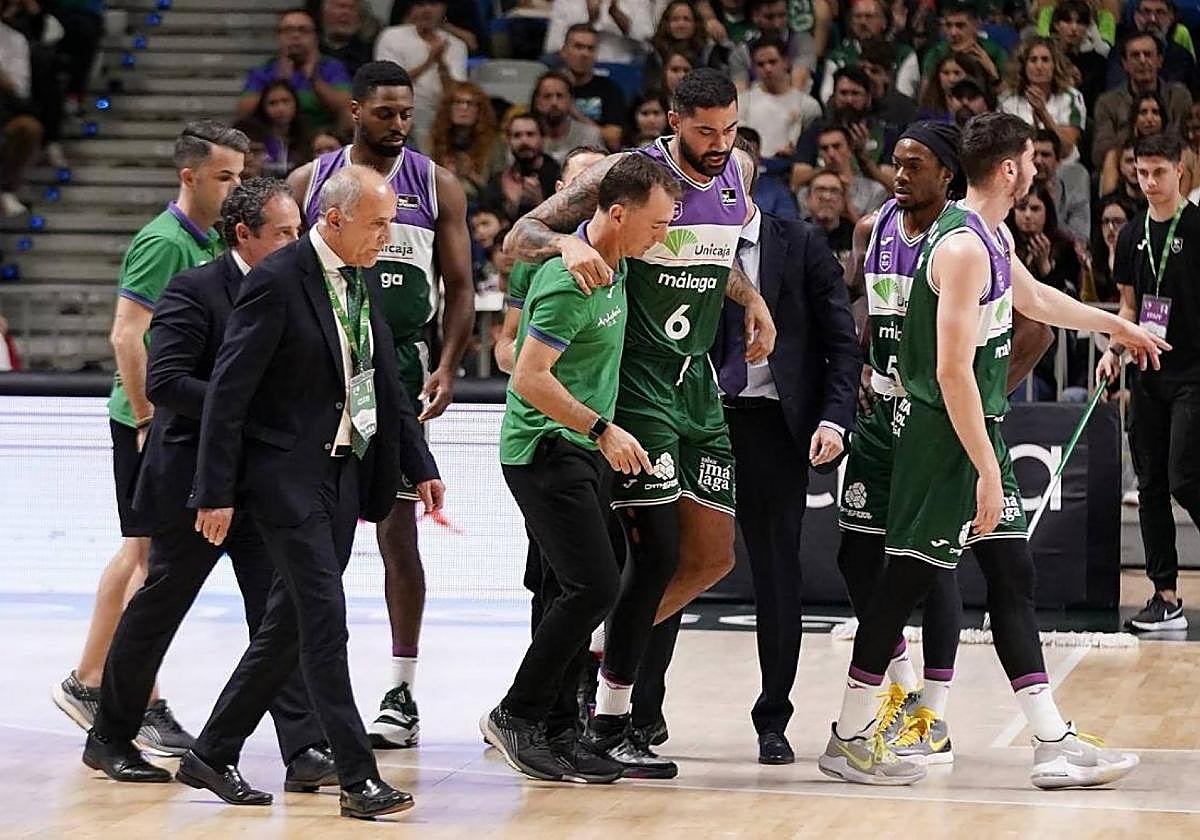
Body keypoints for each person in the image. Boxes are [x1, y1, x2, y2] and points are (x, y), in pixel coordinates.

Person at [819, 111, 1158, 788]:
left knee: (1012, 574)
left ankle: (1051, 740)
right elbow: (951, 373)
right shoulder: (963, 248)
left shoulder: (989, 233)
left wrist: (1113, 326)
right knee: (904, 581)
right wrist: (986, 470)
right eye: (1029, 158)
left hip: (972, 427)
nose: (1035, 168)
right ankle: (850, 735)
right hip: (940, 430)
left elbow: (1038, 300)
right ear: (1009, 169)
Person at [505, 67, 776, 778]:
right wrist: (567, 245)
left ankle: (591, 649)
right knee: (650, 555)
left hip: (698, 382)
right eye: (705, 131)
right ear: (673, 121)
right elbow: (521, 234)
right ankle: (607, 715)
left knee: (711, 557)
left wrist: (752, 299)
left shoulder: (736, 173)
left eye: (729, 129)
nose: (719, 143)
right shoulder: (628, 173)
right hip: (637, 385)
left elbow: (711, 261)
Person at [183, 165, 440, 819]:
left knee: (287, 628)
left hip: (344, 478)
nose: (388, 236)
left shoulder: (361, 278)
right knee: (326, 622)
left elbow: (386, 386)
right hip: (284, 480)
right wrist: (214, 491)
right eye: (377, 224)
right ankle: (358, 778)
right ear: (334, 218)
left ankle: (211, 751)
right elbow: (228, 393)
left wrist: (421, 464)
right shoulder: (277, 279)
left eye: (391, 222)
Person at [82, 179, 333, 794]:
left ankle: (303, 747)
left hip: (260, 481)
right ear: (244, 235)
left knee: (276, 613)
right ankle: (109, 736)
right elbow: (165, 382)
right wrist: (247, 404)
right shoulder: (193, 290)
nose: (296, 242)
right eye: (284, 233)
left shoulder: (301, 289)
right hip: (191, 481)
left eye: (299, 231)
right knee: (161, 606)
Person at [837, 120, 1053, 767]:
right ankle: (900, 695)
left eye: (914, 164)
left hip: (940, 417)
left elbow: (1035, 327)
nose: (899, 175)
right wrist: (858, 378)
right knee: (863, 559)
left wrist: (980, 407)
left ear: (949, 173)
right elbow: (864, 314)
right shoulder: (873, 229)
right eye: (895, 162)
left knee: (939, 567)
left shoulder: (967, 240)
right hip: (886, 416)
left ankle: (931, 711)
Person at [288, 60, 474, 750]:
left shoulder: (437, 184)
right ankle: (309, 686)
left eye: (406, 113)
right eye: (385, 113)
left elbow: (460, 287)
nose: (399, 124)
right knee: (318, 537)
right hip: (326, 370)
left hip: (399, 373)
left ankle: (401, 690)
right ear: (355, 111)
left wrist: (448, 365)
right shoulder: (310, 182)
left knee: (399, 532)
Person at [51, 120, 247, 757]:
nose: (234, 188)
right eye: (224, 177)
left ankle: (97, 681)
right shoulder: (164, 242)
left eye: (240, 176)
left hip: (163, 420)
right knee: (148, 562)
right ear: (189, 177)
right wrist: (144, 420)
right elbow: (125, 333)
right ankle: (129, 697)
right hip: (146, 420)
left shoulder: (207, 240)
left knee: (141, 555)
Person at [483, 154, 680, 783]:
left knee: (566, 589)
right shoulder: (571, 282)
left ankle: (562, 731)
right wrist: (601, 428)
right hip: (546, 448)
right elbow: (528, 376)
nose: (663, 238)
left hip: (581, 448)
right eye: (655, 225)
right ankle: (515, 714)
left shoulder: (615, 267)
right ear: (617, 214)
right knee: (594, 587)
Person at [712, 151, 859, 765]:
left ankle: (773, 718)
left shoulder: (800, 244)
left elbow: (842, 344)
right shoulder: (679, 245)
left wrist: (833, 418)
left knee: (777, 573)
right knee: (669, 562)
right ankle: (640, 713)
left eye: (721, 178)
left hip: (773, 426)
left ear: (745, 186)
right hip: (700, 424)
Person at [1098, 130, 1200, 633]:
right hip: (1147, 373)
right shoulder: (1132, 234)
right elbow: (1130, 307)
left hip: (1193, 374)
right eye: (1142, 172)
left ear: (1180, 170)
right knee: (1151, 485)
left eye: (1159, 171)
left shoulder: (1197, 228)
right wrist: (1114, 349)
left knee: (1184, 475)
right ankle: (1165, 597)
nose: (1150, 181)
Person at [238, 9, 352, 132]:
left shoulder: (331, 67)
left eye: (303, 30)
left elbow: (347, 109)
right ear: (278, 37)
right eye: (288, 30)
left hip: (323, 136)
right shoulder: (264, 70)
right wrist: (279, 82)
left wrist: (315, 80)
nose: (295, 36)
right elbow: (243, 113)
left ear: (315, 37)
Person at [374, 0, 468, 149]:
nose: (427, 10)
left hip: (441, 118)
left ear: (443, 8)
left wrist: (441, 63)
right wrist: (429, 61)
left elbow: (455, 92)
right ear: (412, 8)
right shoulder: (391, 37)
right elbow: (387, 83)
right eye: (420, 4)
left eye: (433, 4)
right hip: (400, 115)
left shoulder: (456, 45)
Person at [1091, 32, 1192, 170]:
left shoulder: (1178, 96)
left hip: (1173, 166)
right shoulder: (1107, 102)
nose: (1142, 60)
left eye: (1148, 54)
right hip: (1126, 168)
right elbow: (1100, 153)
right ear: (1125, 64)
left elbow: (1187, 141)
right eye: (1135, 55)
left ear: (1159, 61)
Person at [998, 35, 1087, 162]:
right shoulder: (1008, 101)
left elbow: (1065, 149)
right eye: (1033, 60)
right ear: (1024, 66)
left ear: (1055, 65)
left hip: (1064, 166)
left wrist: (1043, 113)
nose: (1039, 66)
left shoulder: (1070, 97)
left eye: (1045, 60)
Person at [736, 36, 822, 160]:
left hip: (790, 166)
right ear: (754, 68)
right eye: (761, 64)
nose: (767, 68)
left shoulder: (808, 105)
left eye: (772, 62)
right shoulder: (742, 102)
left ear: (786, 62)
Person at [820, 0, 921, 102]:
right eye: (857, 17)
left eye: (869, 16)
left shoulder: (904, 55)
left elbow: (904, 96)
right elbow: (827, 97)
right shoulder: (838, 56)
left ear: (884, 22)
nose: (862, 22)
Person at [428, 80, 506, 204]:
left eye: (470, 103)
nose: (464, 108)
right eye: (458, 102)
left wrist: (471, 175)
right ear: (448, 108)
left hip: (480, 204)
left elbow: (500, 193)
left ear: (480, 110)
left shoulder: (494, 145)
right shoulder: (434, 141)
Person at [797, 125, 888, 223]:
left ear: (850, 149)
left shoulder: (874, 191)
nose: (831, 153)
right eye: (825, 148)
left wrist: (846, 201)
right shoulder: (808, 192)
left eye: (837, 146)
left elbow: (871, 231)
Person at [558, 23, 627, 151]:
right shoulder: (551, 87)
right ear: (564, 51)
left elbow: (613, 140)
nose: (584, 54)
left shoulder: (609, 89)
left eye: (590, 48)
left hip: (595, 152)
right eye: (578, 47)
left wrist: (575, 113)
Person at [482, 113, 563, 222]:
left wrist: (539, 203)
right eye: (517, 135)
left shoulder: (559, 176)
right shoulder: (496, 181)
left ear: (542, 138)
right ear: (508, 140)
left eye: (530, 134)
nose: (524, 141)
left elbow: (566, 223)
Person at [0, 17, 40, 217]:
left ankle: (6, 189)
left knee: (27, 128)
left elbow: (20, 90)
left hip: (4, 111)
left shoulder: (14, 39)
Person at [1101, 93, 1172, 196]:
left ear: (1163, 119)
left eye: (1155, 112)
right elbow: (1108, 197)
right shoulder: (1116, 154)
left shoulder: (1175, 154)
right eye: (1143, 112)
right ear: (1135, 119)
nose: (1149, 118)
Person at [543, 0, 654, 64]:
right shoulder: (565, 2)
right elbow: (553, 46)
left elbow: (648, 46)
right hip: (576, 69)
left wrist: (624, 24)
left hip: (623, 65)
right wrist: (590, 21)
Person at [530, 71, 605, 164]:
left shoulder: (589, 136)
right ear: (537, 102)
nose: (554, 102)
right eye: (547, 96)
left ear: (570, 101)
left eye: (560, 96)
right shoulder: (525, 135)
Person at [919, 2, 1005, 82]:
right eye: (948, 25)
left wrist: (992, 73)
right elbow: (925, 91)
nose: (953, 33)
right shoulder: (936, 53)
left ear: (976, 26)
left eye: (960, 26)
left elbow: (1007, 91)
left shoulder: (994, 52)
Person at [1032, 129, 1090, 244]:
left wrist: (1050, 209)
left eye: (1045, 155)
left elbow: (1080, 238)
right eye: (1034, 154)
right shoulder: (1014, 193)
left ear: (1058, 161)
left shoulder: (1075, 197)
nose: (1038, 160)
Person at [1049, 0, 1107, 110]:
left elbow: (1095, 102)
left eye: (1080, 23)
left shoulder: (1097, 62)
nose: (1074, 28)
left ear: (1087, 27)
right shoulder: (1046, 58)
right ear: (1056, 25)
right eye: (1067, 21)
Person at [251, 80, 312, 178]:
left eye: (285, 101)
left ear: (296, 103)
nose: (280, 108)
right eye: (273, 103)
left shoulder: (308, 136)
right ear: (263, 107)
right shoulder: (255, 139)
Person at [736, 126, 798, 219]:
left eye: (751, 154)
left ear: (759, 157)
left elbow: (787, 222)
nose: (745, 161)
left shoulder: (777, 190)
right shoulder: (716, 187)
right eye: (738, 155)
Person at [1088, 193, 1136, 302]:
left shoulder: (1140, 258)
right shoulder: (1091, 260)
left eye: (1117, 221)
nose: (1110, 228)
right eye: (1106, 222)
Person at [801, 169, 855, 260]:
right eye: (820, 190)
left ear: (844, 200)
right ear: (808, 199)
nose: (827, 197)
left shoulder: (856, 236)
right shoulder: (795, 235)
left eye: (834, 191)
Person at [319, 0, 374, 77]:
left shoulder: (370, 54)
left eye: (352, 8)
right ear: (324, 12)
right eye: (340, 7)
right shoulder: (311, 48)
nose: (345, 13)